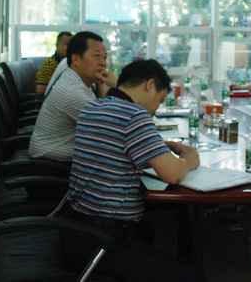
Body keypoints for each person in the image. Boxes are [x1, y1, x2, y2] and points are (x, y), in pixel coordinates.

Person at [60, 59, 205, 281]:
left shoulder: (93, 106)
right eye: (160, 100)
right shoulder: (135, 115)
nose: (156, 110)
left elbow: (114, 147)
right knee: (193, 276)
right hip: (102, 241)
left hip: (74, 228)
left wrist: (165, 145)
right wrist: (188, 160)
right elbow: (173, 174)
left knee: (147, 231)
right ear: (150, 85)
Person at [29, 31, 118, 163]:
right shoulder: (72, 92)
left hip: (60, 158)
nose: (103, 64)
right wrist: (117, 86)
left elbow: (102, 108)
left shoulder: (77, 78)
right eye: (96, 56)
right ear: (76, 59)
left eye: (104, 58)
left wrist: (100, 81)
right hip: (50, 165)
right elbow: (113, 130)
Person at [35, 31, 73, 96]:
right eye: (66, 44)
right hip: (48, 101)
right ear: (57, 45)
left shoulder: (69, 63)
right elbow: (40, 90)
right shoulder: (50, 63)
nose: (70, 48)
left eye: (72, 45)